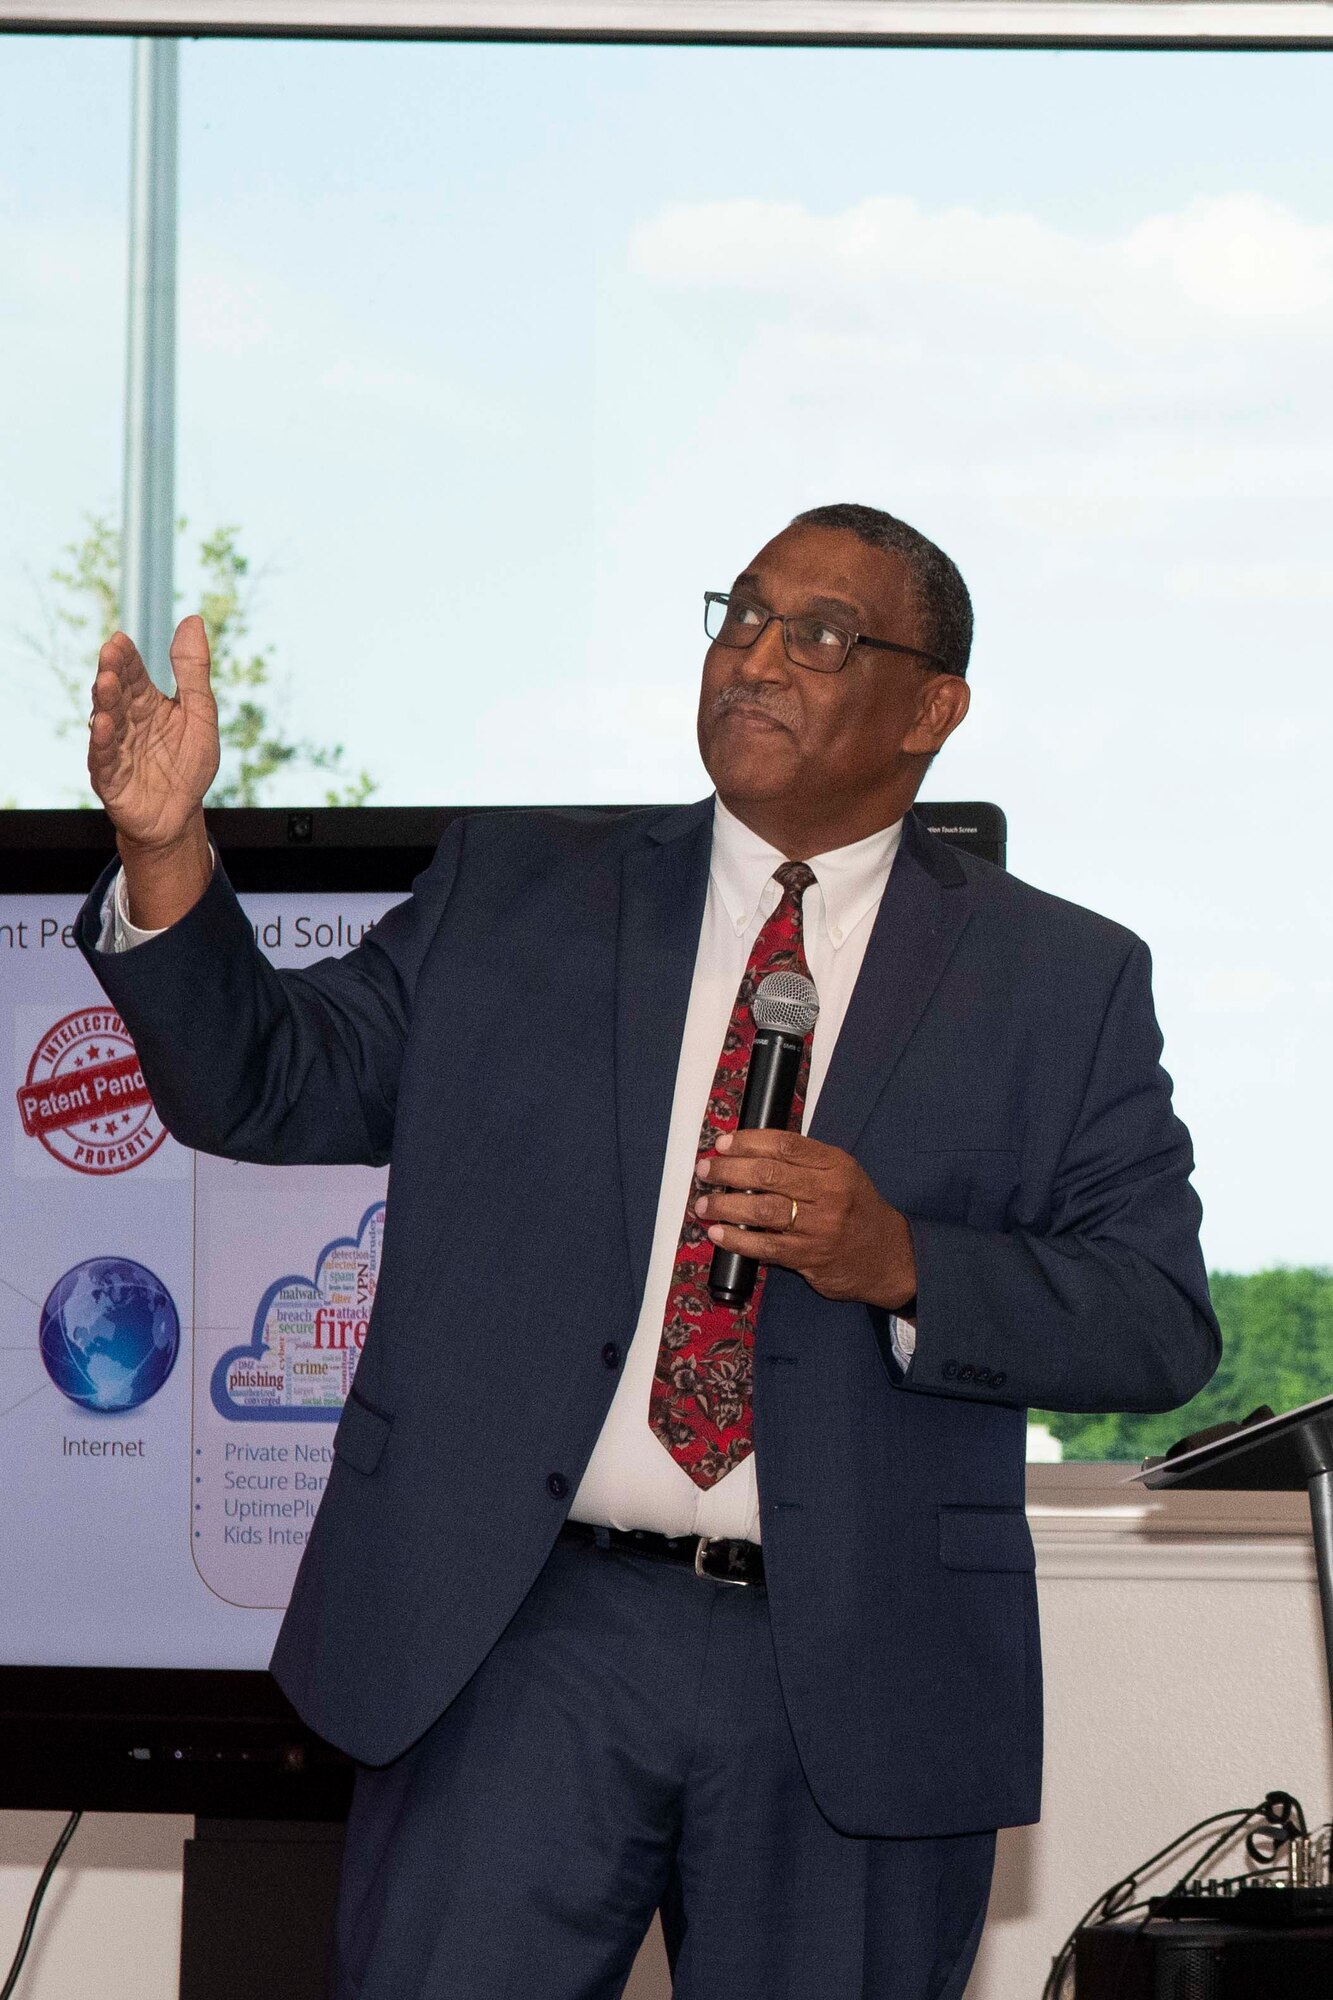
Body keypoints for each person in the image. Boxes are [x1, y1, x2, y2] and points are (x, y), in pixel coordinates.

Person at [80, 502, 1219, 2000]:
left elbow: (1153, 1321)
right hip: (515, 1637)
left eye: (816, 633)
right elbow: (266, 1080)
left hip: (857, 1675)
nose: (752, 656)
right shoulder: (519, 894)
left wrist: (902, 1261)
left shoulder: (1060, 980)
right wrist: (167, 857)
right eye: (737, 616)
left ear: (930, 709)